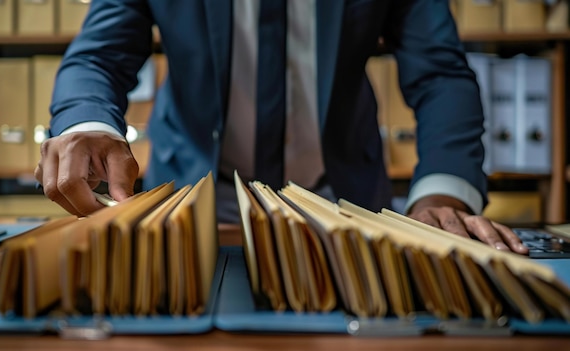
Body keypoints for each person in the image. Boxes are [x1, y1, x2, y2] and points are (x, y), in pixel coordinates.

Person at [34, 0, 528, 254]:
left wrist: (442, 192)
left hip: (344, 205)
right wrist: (89, 123)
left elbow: (440, 74)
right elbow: (99, 55)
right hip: (194, 206)